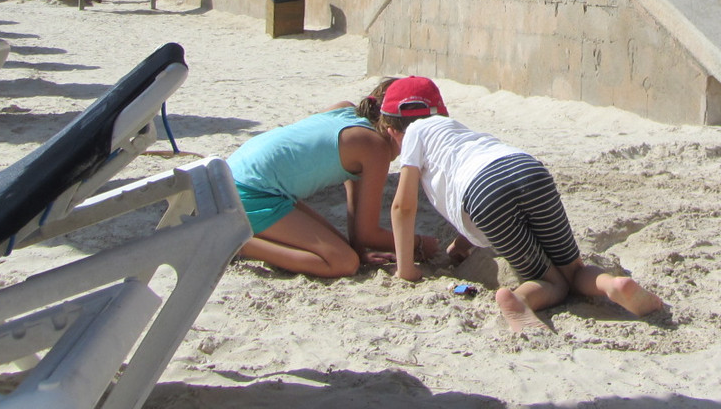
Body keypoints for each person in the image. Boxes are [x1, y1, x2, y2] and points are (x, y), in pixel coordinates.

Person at [388, 77, 664, 333]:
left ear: (392, 131)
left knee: (553, 282)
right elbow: (482, 173)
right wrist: (463, 243)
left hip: (484, 194)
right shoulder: (458, 131)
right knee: (573, 269)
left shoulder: (413, 133)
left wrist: (406, 269)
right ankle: (612, 285)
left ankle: (519, 299)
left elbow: (403, 207)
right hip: (527, 169)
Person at [226, 77, 440, 277]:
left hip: (234, 177)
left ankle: (245, 237)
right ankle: (236, 244)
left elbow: (356, 206)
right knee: (343, 262)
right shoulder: (376, 148)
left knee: (348, 252)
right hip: (251, 193)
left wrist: (359, 250)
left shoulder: (345, 111)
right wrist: (419, 243)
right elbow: (369, 233)